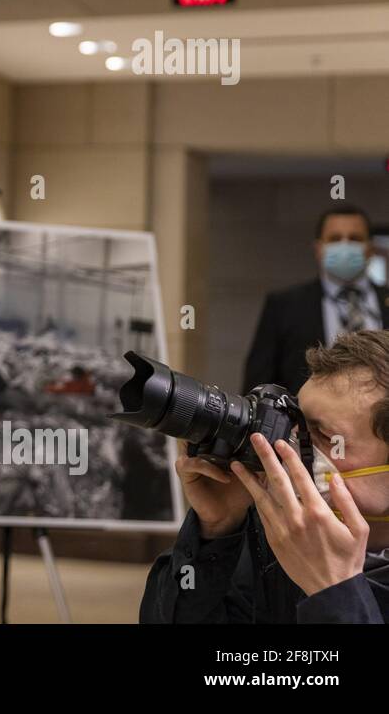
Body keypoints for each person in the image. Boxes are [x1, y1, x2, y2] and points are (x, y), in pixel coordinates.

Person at [141, 330, 389, 622]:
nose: (290, 446)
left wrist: (335, 590)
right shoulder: (277, 539)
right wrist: (215, 536)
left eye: (324, 436)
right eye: (295, 423)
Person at [243, 206, 389, 397]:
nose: (345, 246)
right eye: (335, 239)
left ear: (370, 248)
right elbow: (259, 384)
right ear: (319, 248)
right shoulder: (284, 306)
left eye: (355, 238)